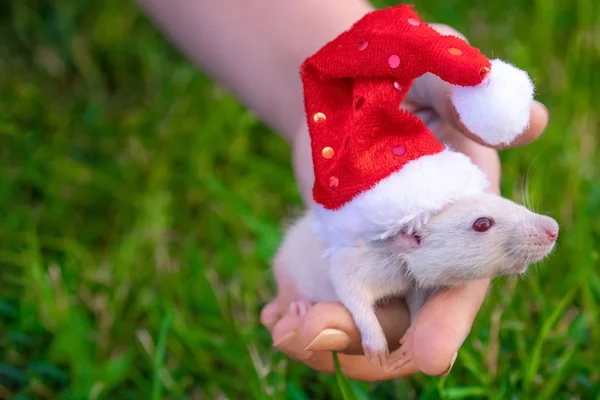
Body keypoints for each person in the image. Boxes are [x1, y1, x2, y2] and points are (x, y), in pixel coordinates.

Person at [135, 0, 549, 381]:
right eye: (482, 224)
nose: (548, 226)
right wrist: (369, 329)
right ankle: (291, 289)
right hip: (308, 266)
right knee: (303, 263)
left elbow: (428, 285)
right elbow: (348, 274)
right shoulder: (382, 256)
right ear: (412, 239)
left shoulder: (425, 250)